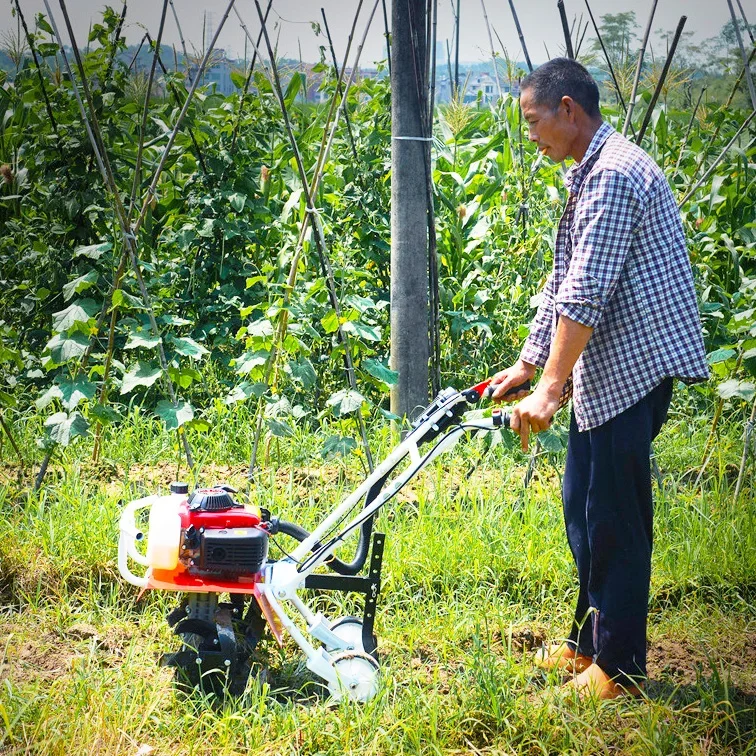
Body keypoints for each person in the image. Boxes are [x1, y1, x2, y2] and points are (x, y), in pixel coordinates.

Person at [488, 58, 709, 699]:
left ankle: (619, 667)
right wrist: (529, 364)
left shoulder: (613, 176)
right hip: (603, 366)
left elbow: (586, 294)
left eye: (532, 120)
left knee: (613, 516)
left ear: (567, 109)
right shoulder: (590, 172)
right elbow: (562, 280)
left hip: (631, 366)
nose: (529, 135)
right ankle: (588, 642)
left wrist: (550, 389)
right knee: (583, 507)